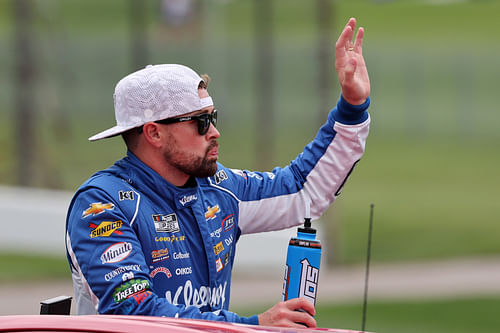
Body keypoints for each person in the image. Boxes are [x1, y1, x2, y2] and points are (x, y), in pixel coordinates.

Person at [65, 17, 371, 328]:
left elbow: (302, 190)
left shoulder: (219, 187)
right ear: (154, 133)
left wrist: (352, 106)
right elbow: (133, 313)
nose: (214, 132)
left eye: (213, 117)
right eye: (199, 122)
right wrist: (251, 325)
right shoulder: (102, 205)